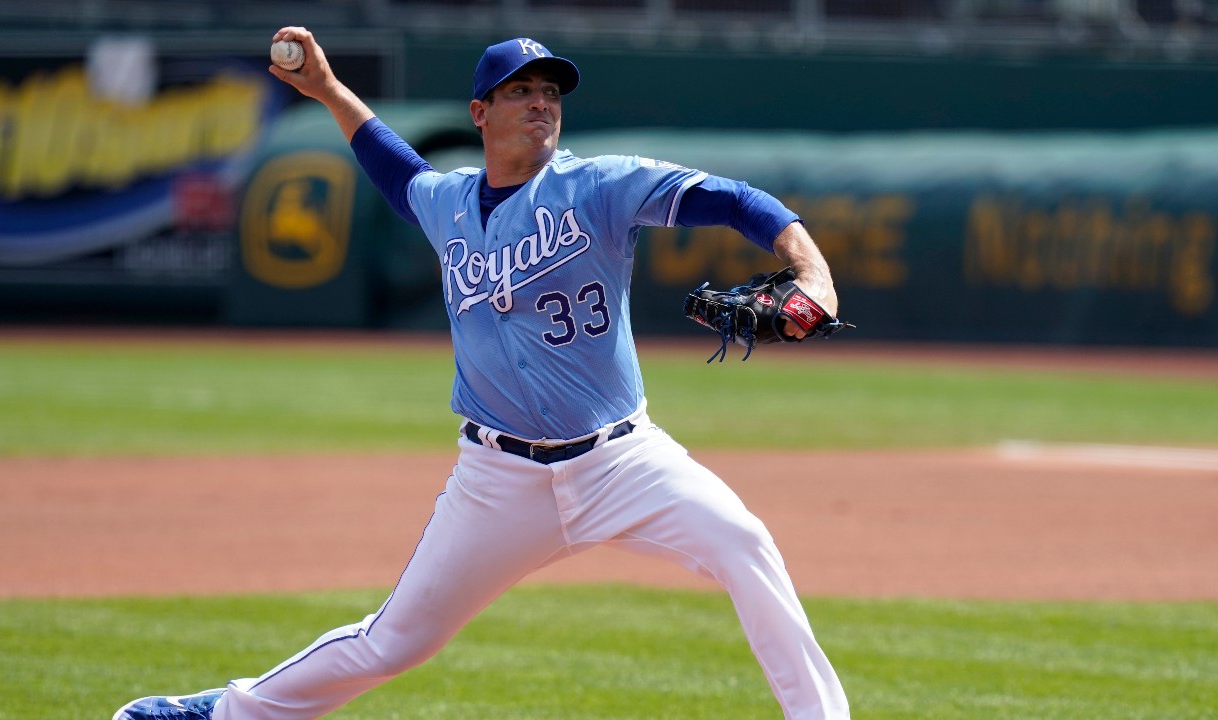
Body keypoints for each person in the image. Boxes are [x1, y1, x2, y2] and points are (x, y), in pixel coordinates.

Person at [113, 29, 850, 720]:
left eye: (551, 93)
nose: (540, 104)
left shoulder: (600, 186)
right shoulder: (448, 203)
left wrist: (812, 271)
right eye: (520, 91)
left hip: (625, 459)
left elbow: (736, 200)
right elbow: (395, 169)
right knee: (393, 641)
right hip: (499, 482)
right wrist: (331, 90)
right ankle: (222, 712)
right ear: (480, 112)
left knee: (742, 541)